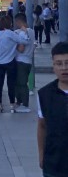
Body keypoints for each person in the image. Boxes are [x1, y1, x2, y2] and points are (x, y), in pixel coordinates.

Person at [37, 41, 68, 177]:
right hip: (53, 164)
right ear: (53, 65)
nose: (64, 68)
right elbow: (42, 125)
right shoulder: (44, 94)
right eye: (59, 63)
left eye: (67, 63)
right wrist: (41, 154)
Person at [0, 14, 29, 113]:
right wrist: (24, 32)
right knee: (10, 84)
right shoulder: (10, 33)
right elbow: (24, 41)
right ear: (9, 24)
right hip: (10, 62)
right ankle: (12, 105)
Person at [14, 13, 36, 113]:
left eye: (16, 22)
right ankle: (20, 102)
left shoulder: (19, 32)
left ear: (19, 21)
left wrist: (15, 47)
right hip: (28, 61)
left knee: (21, 83)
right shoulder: (32, 31)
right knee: (22, 82)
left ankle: (24, 104)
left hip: (20, 60)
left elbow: (21, 49)